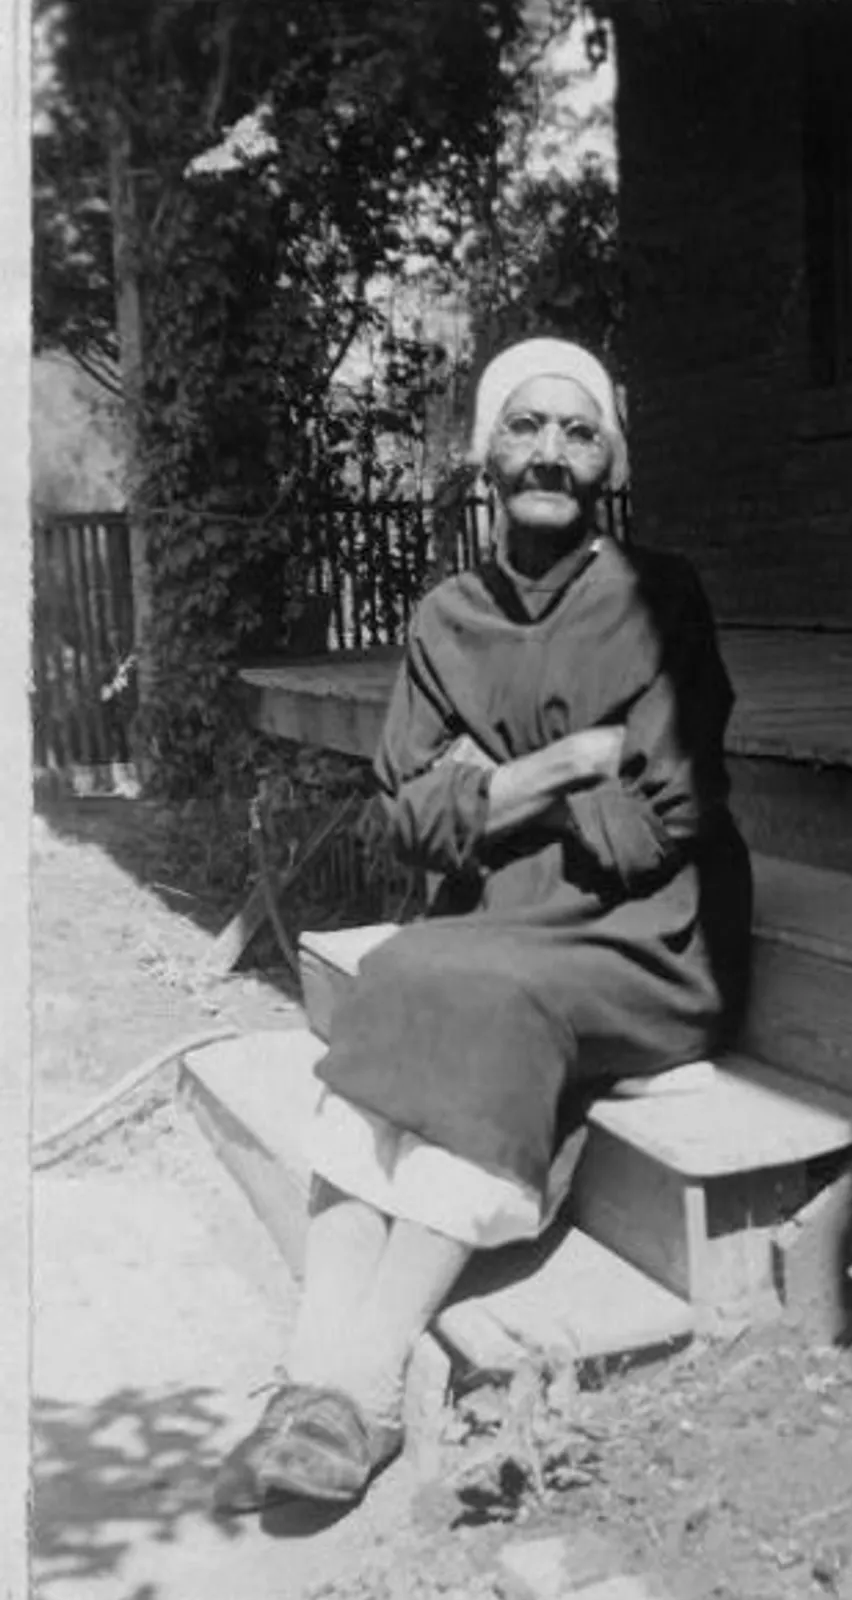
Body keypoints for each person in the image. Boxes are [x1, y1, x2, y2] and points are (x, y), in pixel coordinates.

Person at [213, 338, 752, 1514]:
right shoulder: (445, 617)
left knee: (491, 996)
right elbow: (407, 819)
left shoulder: (662, 598)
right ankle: (310, 1379)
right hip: (494, 922)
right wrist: (567, 762)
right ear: (484, 457)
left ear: (611, 460)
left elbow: (662, 820)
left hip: (648, 934)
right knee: (402, 968)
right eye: (525, 426)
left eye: (579, 430)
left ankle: (359, 1386)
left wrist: (484, 784)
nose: (550, 452)